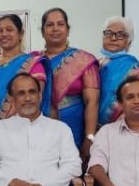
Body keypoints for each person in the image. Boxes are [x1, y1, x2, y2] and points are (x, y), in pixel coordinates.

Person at [37, 8, 100, 152]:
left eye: (60, 24)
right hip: (39, 128)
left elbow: (92, 102)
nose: (55, 28)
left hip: (74, 126)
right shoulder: (33, 61)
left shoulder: (83, 60)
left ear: (68, 30)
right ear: (42, 31)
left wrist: (89, 137)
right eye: (50, 25)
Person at [0, 14, 46, 134]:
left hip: (22, 130)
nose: (4, 34)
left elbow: (35, 100)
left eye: (9, 29)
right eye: (0, 31)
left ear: (20, 34)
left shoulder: (33, 64)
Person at [97, 15, 139, 125]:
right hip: (94, 126)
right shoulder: (96, 64)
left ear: (129, 42)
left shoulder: (135, 69)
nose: (113, 38)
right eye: (108, 33)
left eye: (120, 35)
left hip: (123, 125)